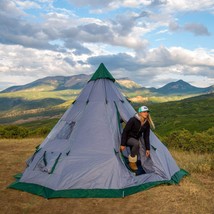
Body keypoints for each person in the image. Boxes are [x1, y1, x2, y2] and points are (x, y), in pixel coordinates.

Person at [120, 106, 155, 171]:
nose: (146, 113)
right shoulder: (133, 120)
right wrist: (122, 144)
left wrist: (148, 148)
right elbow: (125, 132)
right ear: (140, 113)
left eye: (147, 112)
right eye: (144, 112)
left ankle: (133, 167)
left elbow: (146, 136)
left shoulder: (146, 123)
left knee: (136, 145)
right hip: (128, 138)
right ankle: (132, 162)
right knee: (136, 143)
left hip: (135, 139)